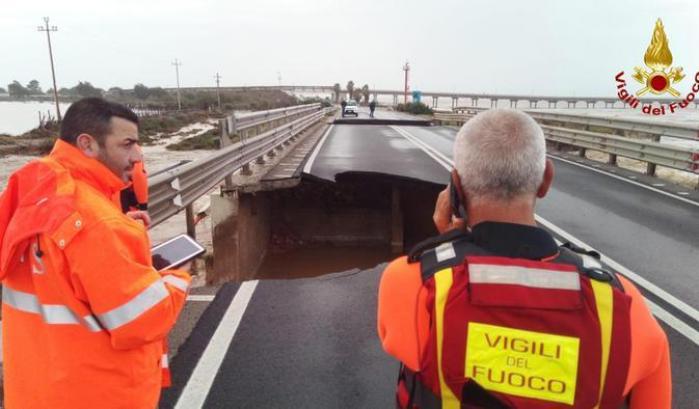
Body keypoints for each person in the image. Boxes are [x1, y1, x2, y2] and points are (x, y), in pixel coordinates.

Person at [377, 109, 671, 408]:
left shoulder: (413, 284)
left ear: (456, 187)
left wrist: (446, 246)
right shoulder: (626, 305)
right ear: (546, 179)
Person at [0, 97, 192, 409]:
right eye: (127, 144)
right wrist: (176, 281)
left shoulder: (33, 188)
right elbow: (141, 320)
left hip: (35, 391)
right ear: (88, 145)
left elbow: (57, 267)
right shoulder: (96, 221)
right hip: (96, 394)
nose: (138, 155)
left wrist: (117, 233)